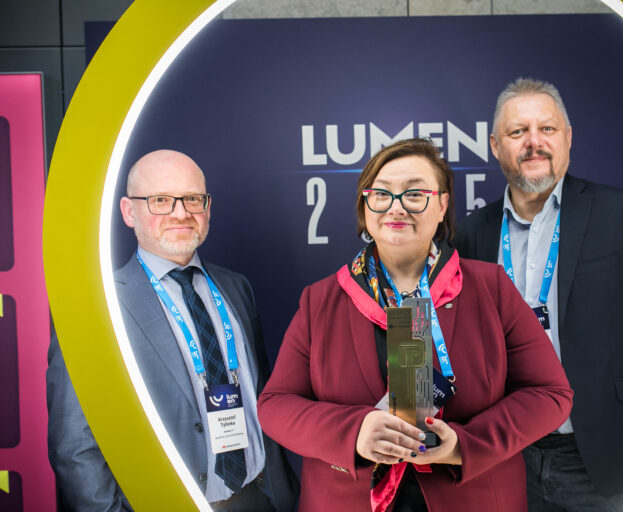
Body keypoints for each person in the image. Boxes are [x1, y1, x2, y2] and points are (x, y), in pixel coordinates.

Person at [257, 138, 573, 511]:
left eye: (414, 194)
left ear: (442, 206)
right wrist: (354, 431)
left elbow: (551, 394)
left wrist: (463, 445)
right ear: (365, 205)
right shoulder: (321, 300)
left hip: (472, 498)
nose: (396, 206)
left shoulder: (492, 288)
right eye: (381, 194)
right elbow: (275, 406)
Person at [453, 78, 623, 511]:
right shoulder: (473, 234)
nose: (534, 142)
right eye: (517, 131)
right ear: (495, 146)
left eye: (547, 128)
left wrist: (614, 393)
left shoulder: (621, 214)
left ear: (568, 138)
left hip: (604, 455)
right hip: (509, 457)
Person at [47, 150, 298, 511]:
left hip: (257, 498)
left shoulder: (236, 287)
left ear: (207, 208)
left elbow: (260, 394)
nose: (181, 213)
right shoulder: (97, 308)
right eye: (161, 200)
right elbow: (74, 445)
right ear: (129, 212)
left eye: (192, 199)